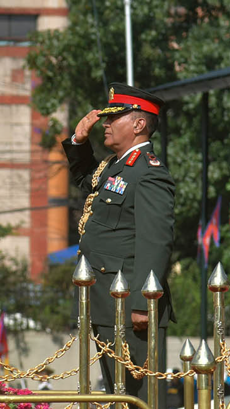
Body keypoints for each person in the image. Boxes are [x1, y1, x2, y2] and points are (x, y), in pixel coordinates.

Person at [62, 83, 175, 401]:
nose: (106, 123)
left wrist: (143, 303)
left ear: (139, 124)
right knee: (118, 393)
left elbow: (156, 241)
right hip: (106, 296)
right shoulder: (116, 166)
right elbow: (88, 182)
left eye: (115, 118)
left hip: (129, 304)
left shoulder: (148, 173)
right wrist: (79, 143)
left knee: (140, 396)